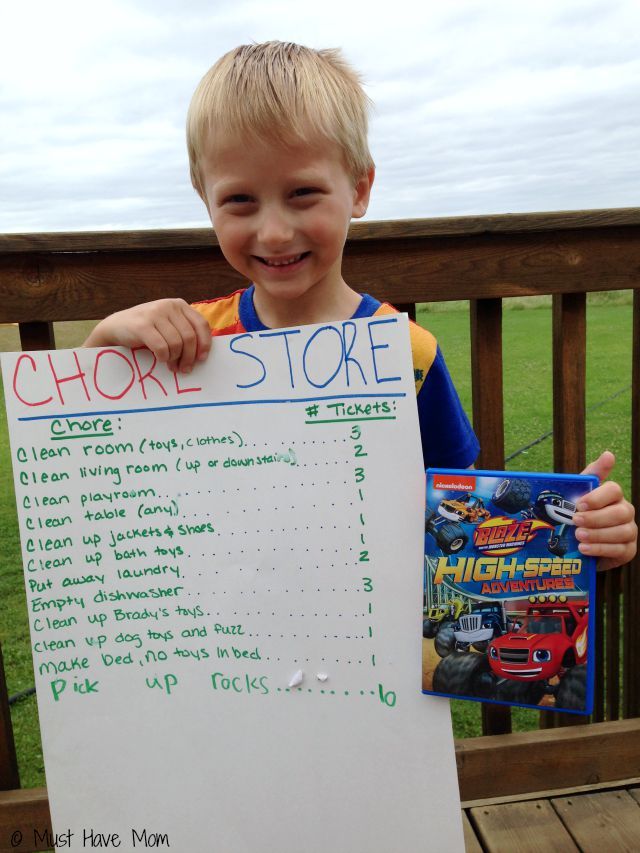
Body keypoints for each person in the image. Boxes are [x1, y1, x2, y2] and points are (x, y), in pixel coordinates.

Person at [83, 41, 636, 572]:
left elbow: (463, 515)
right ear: (205, 199)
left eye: (303, 193)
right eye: (240, 200)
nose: (274, 232)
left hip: (366, 655)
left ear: (360, 188)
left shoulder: (407, 352)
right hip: (222, 654)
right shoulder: (186, 342)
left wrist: (575, 534)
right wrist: (107, 339)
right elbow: (91, 467)